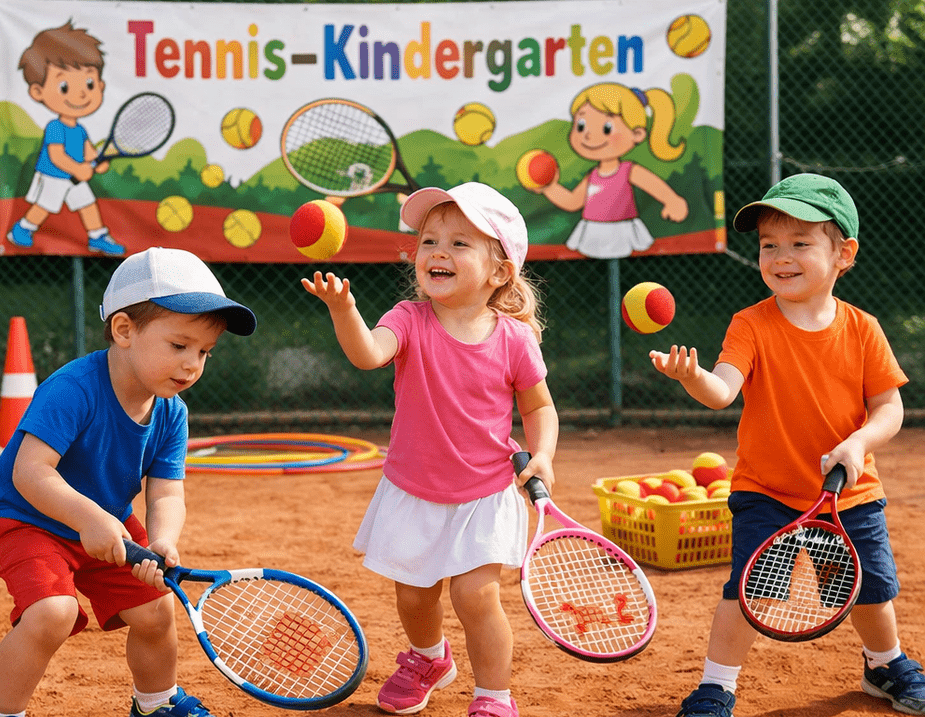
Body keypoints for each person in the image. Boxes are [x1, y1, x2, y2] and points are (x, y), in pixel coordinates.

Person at [649, 174, 921, 717]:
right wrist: (693, 377)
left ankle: (884, 663)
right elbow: (722, 390)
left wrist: (858, 441)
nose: (780, 256)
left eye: (800, 243)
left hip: (851, 493)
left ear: (844, 254)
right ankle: (715, 686)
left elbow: (890, 410)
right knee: (750, 592)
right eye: (769, 245)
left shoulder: (864, 329)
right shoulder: (750, 324)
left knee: (869, 589)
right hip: (766, 491)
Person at [302, 182, 559, 717]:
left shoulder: (514, 338)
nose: (437, 251)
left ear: (500, 271)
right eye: (428, 241)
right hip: (412, 489)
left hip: (484, 495)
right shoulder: (408, 318)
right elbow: (369, 354)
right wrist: (343, 309)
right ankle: (429, 657)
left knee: (474, 596)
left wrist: (544, 454)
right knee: (416, 596)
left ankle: (493, 696)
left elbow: (539, 408)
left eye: (459, 243)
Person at [0, 247, 256, 717]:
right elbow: (30, 472)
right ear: (125, 330)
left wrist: (165, 540)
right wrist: (88, 517)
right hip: (26, 519)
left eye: (204, 352)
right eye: (179, 345)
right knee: (53, 613)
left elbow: (167, 489)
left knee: (155, 611)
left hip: (109, 526)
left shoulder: (171, 412)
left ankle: (156, 705)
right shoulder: (73, 389)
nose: (192, 364)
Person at [8, 21, 123, 255]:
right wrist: (79, 169)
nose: (81, 92)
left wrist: (98, 163)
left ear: (100, 85)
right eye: (64, 86)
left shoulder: (80, 130)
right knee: (43, 206)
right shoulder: (55, 127)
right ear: (38, 92)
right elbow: (56, 156)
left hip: (74, 177)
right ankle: (22, 228)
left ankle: (97, 236)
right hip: (53, 176)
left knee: (88, 204)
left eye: (89, 83)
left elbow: (90, 153)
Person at [537, 82, 688, 259]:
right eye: (581, 125)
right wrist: (549, 188)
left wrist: (673, 201)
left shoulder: (627, 170)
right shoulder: (592, 175)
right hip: (593, 231)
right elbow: (573, 202)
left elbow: (652, 185)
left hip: (621, 230)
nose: (587, 135)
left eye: (606, 128)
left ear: (637, 134)